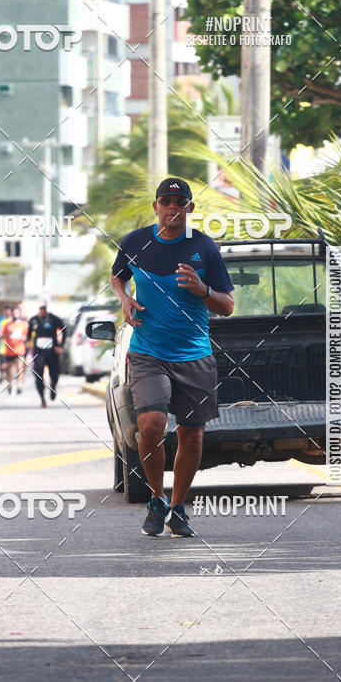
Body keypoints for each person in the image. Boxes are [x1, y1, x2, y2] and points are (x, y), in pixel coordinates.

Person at [111, 177, 234, 537]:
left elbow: (227, 305)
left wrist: (202, 289)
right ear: (156, 207)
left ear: (189, 208)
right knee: (150, 426)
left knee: (191, 434)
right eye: (166, 201)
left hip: (194, 354)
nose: (172, 208)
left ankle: (178, 508)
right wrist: (124, 299)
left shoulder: (204, 248)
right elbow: (117, 277)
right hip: (148, 352)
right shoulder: (135, 242)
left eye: (180, 203)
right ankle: (156, 497)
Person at [27, 299, 65, 408]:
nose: (42, 310)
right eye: (40, 308)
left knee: (55, 375)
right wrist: (28, 343)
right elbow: (29, 334)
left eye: (44, 308)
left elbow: (64, 330)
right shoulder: (33, 320)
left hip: (52, 351)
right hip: (39, 352)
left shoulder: (53, 319)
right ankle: (42, 399)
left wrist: (60, 346)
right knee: (38, 375)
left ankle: (53, 387)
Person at [1, 305, 29, 394]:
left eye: (17, 313)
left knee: (20, 368)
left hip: (20, 350)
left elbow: (28, 336)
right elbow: (1, 336)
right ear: (12, 314)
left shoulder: (24, 325)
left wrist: (25, 338)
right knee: (10, 370)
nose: (15, 314)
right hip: (9, 351)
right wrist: (8, 334)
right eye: (14, 313)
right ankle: (10, 384)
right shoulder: (7, 325)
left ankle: (19, 385)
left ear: (19, 314)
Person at [0, 304, 12, 384]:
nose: (7, 313)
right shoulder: (0, 320)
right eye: (6, 312)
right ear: (4, 312)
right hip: (2, 347)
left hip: (12, 347)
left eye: (9, 312)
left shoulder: (13, 320)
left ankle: (9, 382)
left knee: (9, 366)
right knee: (2, 366)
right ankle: (2, 374)